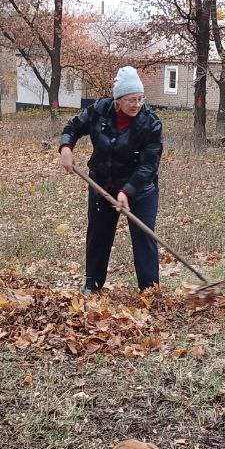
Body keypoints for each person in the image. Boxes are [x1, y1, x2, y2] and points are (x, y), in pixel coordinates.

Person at [58, 66, 163, 292]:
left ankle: (150, 292)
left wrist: (127, 191)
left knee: (144, 237)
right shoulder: (100, 110)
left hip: (141, 191)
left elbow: (148, 165)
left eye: (140, 99)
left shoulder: (150, 123)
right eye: (131, 100)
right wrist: (66, 147)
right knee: (98, 236)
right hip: (102, 185)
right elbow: (74, 126)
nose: (136, 104)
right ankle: (92, 287)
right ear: (118, 100)